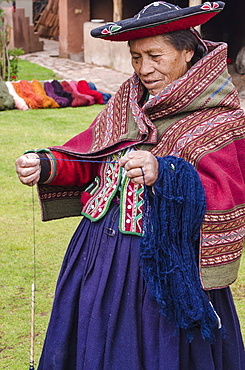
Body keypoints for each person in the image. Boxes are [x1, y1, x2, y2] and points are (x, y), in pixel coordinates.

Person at [15, 2, 245, 369]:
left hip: (164, 267)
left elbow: (227, 195)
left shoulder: (221, 117)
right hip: (98, 255)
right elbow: (93, 155)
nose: (144, 69)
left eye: (155, 55)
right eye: (136, 57)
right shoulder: (127, 101)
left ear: (188, 50)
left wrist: (164, 173)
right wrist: (46, 165)